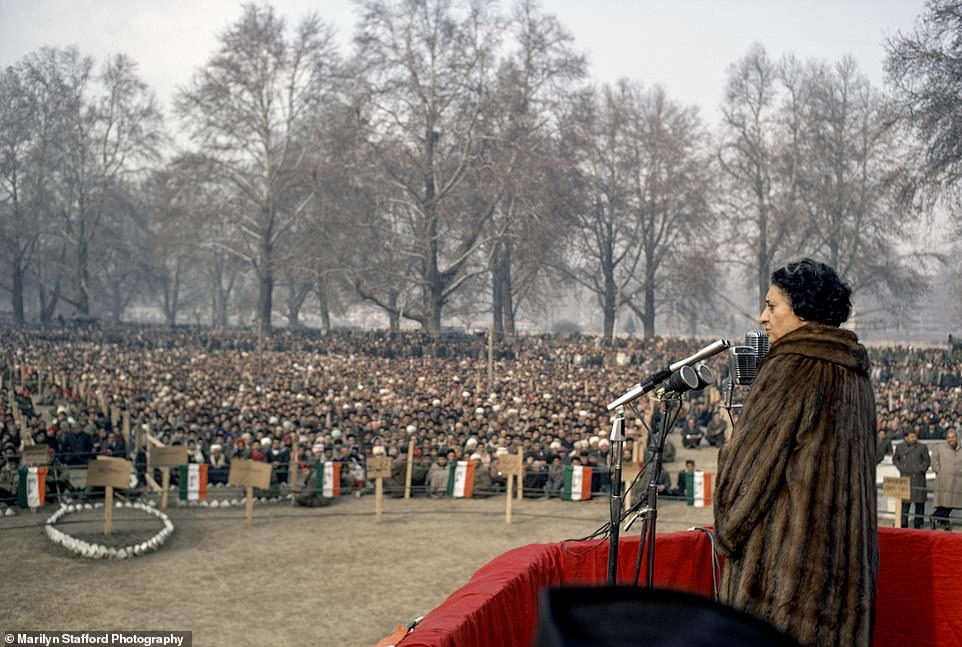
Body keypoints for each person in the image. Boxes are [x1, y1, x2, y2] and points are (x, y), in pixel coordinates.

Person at [713, 258, 878, 647]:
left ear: (803, 310)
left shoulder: (791, 366)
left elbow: (743, 483)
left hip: (779, 597)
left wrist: (726, 528)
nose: (762, 317)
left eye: (772, 306)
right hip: (843, 594)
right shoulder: (855, 374)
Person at [893, 429, 930, 529]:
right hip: (905, 478)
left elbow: (927, 461)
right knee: (905, 503)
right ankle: (903, 522)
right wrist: (901, 468)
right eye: (912, 437)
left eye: (915, 436)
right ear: (906, 437)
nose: (914, 439)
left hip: (918, 477)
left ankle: (918, 523)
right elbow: (895, 459)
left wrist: (920, 469)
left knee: (919, 503)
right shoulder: (899, 447)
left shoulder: (922, 447)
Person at [930, 429, 961, 530]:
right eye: (949, 437)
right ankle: (938, 519)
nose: (951, 439)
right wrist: (938, 470)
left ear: (957, 438)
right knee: (945, 502)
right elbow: (934, 459)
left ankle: (939, 519)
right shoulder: (940, 447)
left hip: (958, 481)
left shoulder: (960, 448)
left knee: (952, 503)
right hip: (944, 480)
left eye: (953, 437)